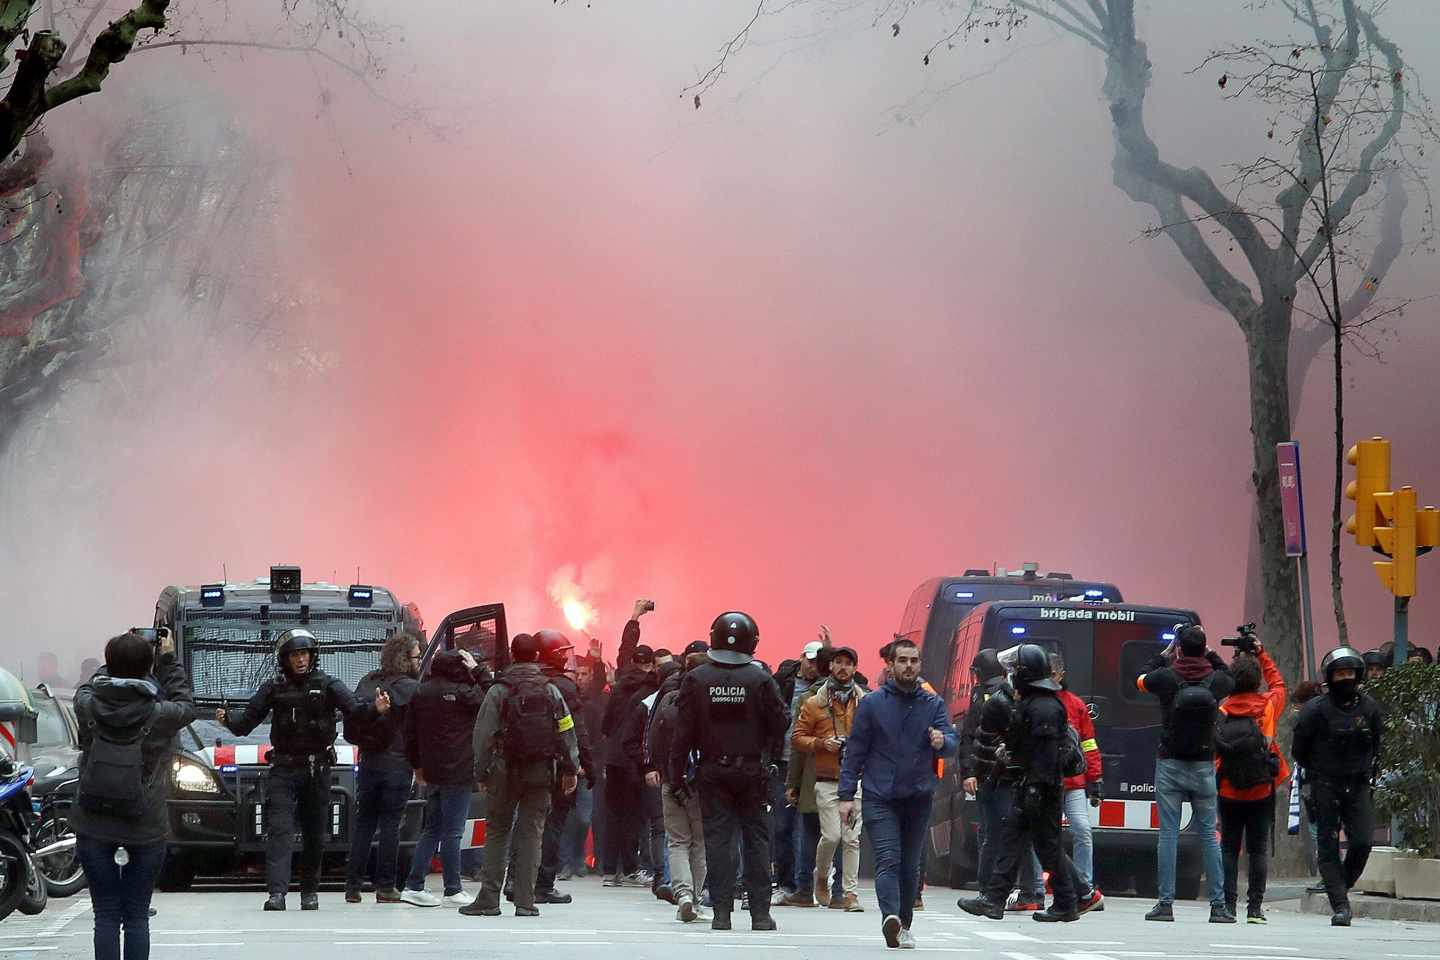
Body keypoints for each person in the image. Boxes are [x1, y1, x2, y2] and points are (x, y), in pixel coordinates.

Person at [217, 629, 390, 910]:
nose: (300, 660)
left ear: (312, 656)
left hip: (316, 768)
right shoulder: (273, 687)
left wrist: (376, 708)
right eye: (295, 655)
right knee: (279, 830)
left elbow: (355, 709)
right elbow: (246, 722)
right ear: (285, 659)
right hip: (283, 767)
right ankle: (277, 894)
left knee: (314, 832)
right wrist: (228, 720)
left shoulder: (328, 684)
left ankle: (309, 892)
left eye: (304, 653)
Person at [72, 630, 196, 960]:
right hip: (145, 822)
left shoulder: (88, 705)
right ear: (148, 667)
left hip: (93, 820)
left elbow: (87, 686)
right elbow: (186, 704)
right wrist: (167, 659)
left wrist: (113, 663)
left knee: (107, 916)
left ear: (109, 666)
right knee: (137, 917)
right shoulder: (161, 714)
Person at [959, 644, 1101, 925]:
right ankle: (995, 900)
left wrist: (1036, 788)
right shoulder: (1034, 701)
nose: (1011, 674)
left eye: (1015, 669)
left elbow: (1047, 755)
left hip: (1041, 789)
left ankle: (1068, 901)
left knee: (1047, 847)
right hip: (1032, 786)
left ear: (1026, 673)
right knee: (1013, 840)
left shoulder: (1044, 707)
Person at [671, 611, 789, 931]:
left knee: (718, 843)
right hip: (752, 772)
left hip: (712, 772)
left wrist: (675, 774)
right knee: (757, 842)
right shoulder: (761, 678)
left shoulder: (696, 678)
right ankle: (760, 915)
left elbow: (681, 732)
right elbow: (782, 721)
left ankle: (721, 914)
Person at [838, 638, 956, 949]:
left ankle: (904, 923)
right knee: (888, 858)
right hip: (880, 796)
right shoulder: (873, 704)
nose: (908, 666)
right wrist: (846, 795)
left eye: (913, 661)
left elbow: (953, 741)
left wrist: (942, 741)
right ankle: (890, 917)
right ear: (890, 665)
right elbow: (855, 752)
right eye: (902, 660)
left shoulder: (933, 704)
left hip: (918, 796)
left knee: (909, 864)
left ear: (919, 665)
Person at [461, 633, 580, 917]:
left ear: (512, 656)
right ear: (537, 657)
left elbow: (483, 735)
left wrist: (481, 771)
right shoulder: (550, 689)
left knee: (498, 832)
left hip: (504, 770)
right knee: (531, 834)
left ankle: (489, 899)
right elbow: (567, 729)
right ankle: (526, 902)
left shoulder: (499, 690)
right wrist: (570, 768)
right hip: (541, 771)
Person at [1135, 624, 1234, 923]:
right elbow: (1230, 677)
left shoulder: (1166, 677)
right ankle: (1218, 907)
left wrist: (1164, 656)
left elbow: (1140, 679)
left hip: (1170, 763)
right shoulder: (1215, 680)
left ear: (1178, 648)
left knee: (1168, 834)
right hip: (1203, 764)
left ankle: (1165, 904)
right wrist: (1213, 656)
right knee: (1208, 836)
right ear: (1203, 649)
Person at [1292, 646, 1383, 927]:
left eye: (1350, 673)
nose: (1345, 678)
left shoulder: (1369, 708)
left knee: (1363, 841)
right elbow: (1299, 750)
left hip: (1357, 784)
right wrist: (1319, 771)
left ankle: (1341, 884)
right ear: (1330, 677)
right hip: (1325, 783)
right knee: (1328, 846)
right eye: (1339, 673)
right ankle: (1340, 906)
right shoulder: (1314, 710)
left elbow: (1378, 742)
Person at [399, 648, 492, 907]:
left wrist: (417, 766)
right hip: (459, 770)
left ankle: (414, 885)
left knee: (432, 829)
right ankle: (452, 889)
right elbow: (493, 696)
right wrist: (477, 669)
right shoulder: (464, 693)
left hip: (432, 771)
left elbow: (410, 733)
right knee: (453, 831)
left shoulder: (421, 692)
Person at [1012, 651, 1104, 908]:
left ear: (1061, 675)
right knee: (1042, 838)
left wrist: (1095, 779)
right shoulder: (1036, 702)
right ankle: (1039, 890)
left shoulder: (1074, 704)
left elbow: (1088, 743)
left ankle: (1084, 885)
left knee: (1082, 830)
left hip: (1072, 783)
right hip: (1047, 781)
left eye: (1053, 674)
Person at [344, 632, 423, 903]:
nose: (420, 661)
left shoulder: (368, 682)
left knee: (364, 823)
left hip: (368, 761)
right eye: (416, 656)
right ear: (404, 659)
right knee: (391, 825)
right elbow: (417, 731)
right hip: (397, 764)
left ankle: (352, 887)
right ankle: (386, 887)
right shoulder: (411, 688)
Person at [1213, 642, 1288, 923]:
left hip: (1229, 790)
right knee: (1257, 850)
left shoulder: (1222, 711)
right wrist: (1261, 652)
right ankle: (1254, 908)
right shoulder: (1268, 705)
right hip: (1261, 788)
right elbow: (1279, 682)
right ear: (1257, 681)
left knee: (1229, 848)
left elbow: (1217, 751)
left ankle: (1229, 905)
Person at [792, 645, 867, 912]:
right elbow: (797, 738)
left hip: (856, 780)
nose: (843, 667)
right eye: (838, 662)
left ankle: (850, 894)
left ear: (855, 668)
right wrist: (823, 743)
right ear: (831, 666)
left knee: (852, 838)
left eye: (848, 663)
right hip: (826, 779)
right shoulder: (814, 703)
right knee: (832, 836)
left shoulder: (866, 702)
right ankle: (821, 876)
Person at [530, 629, 596, 904]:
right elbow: (576, 733)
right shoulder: (564, 688)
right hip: (556, 769)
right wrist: (585, 766)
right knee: (554, 825)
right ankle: (544, 884)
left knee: (526, 826)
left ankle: (517, 881)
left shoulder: (522, 682)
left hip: (525, 767)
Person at [647, 646, 709, 922]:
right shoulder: (710, 701)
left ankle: (682, 894)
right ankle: (694, 897)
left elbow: (652, 737)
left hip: (671, 780)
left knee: (677, 842)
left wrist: (661, 770)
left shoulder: (669, 698)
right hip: (701, 782)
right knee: (699, 844)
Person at [601, 600, 658, 887]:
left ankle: (610, 871)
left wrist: (634, 616)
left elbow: (624, 649)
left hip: (613, 759)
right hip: (634, 760)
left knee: (612, 814)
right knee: (634, 816)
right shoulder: (652, 685)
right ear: (650, 664)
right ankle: (633, 867)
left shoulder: (622, 679)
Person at [958, 650, 1015, 896]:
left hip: (990, 776)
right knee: (1006, 833)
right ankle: (1011, 887)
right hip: (1008, 775)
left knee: (991, 833)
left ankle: (989, 888)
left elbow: (969, 736)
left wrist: (968, 772)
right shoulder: (1013, 693)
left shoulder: (982, 695)